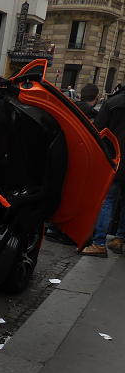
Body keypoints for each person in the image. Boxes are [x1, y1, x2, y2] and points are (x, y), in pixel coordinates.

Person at [81, 84, 125, 256]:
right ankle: (119, 239)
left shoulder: (113, 102)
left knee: (108, 200)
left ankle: (99, 243)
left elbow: (98, 130)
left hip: (116, 158)